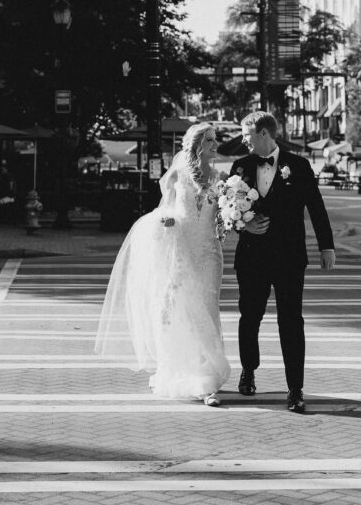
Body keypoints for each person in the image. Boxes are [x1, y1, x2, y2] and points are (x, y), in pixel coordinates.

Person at [94, 122, 230, 406]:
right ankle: (190, 376)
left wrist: (233, 214)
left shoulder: (221, 178)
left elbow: (222, 218)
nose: (215, 145)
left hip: (209, 252)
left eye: (215, 140)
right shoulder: (177, 176)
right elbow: (163, 209)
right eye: (209, 140)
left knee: (207, 310)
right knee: (182, 310)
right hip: (181, 249)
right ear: (196, 146)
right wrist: (166, 219)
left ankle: (208, 375)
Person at [232, 110, 336, 414]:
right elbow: (227, 212)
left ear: (263, 133)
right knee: (249, 316)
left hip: (289, 257)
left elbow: (316, 208)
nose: (243, 139)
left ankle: (295, 389)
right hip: (251, 256)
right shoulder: (241, 167)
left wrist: (326, 246)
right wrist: (244, 225)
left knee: (291, 321)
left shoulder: (299, 166)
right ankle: (248, 370)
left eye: (246, 134)